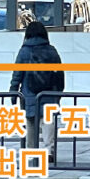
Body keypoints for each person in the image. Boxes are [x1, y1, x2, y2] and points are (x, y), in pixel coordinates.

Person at [10, 21, 65, 163]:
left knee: (30, 122)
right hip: (49, 93)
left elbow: (17, 74)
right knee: (48, 121)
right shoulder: (51, 50)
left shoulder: (24, 51)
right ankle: (49, 150)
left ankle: (31, 151)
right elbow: (59, 74)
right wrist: (58, 92)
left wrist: (13, 91)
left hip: (29, 93)